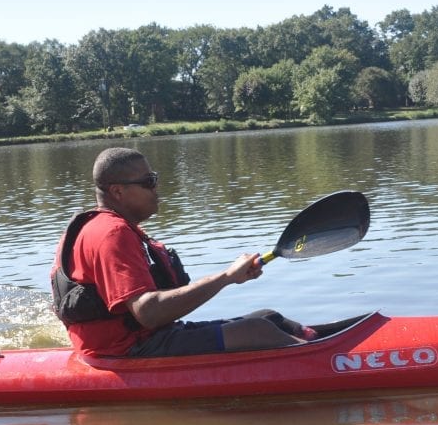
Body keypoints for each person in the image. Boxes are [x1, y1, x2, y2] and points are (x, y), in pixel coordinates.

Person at [51, 147, 317, 357]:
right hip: (127, 350)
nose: (156, 189)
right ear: (118, 191)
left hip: (145, 338)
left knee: (270, 318)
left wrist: (231, 276)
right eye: (149, 182)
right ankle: (325, 362)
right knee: (257, 331)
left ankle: (319, 342)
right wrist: (226, 277)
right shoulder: (112, 233)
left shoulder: (106, 226)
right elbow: (148, 313)